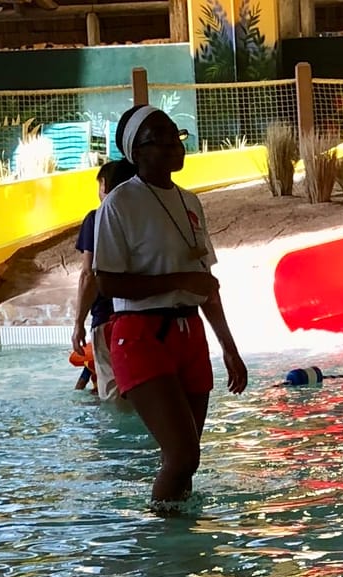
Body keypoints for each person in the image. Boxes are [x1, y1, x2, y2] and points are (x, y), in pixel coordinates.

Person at [94, 106, 248, 505]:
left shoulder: (190, 202)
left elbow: (207, 285)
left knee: (185, 462)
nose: (172, 144)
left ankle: (183, 546)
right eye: (158, 138)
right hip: (141, 333)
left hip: (189, 332)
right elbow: (106, 280)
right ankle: (161, 549)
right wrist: (179, 280)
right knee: (183, 454)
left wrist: (229, 348)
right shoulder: (120, 204)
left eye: (174, 135)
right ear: (136, 153)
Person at [73, 158, 138, 402]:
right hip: (144, 317)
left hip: (107, 319)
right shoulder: (144, 220)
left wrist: (78, 323)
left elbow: (89, 274)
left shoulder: (97, 218)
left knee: (114, 396)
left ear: (106, 186)